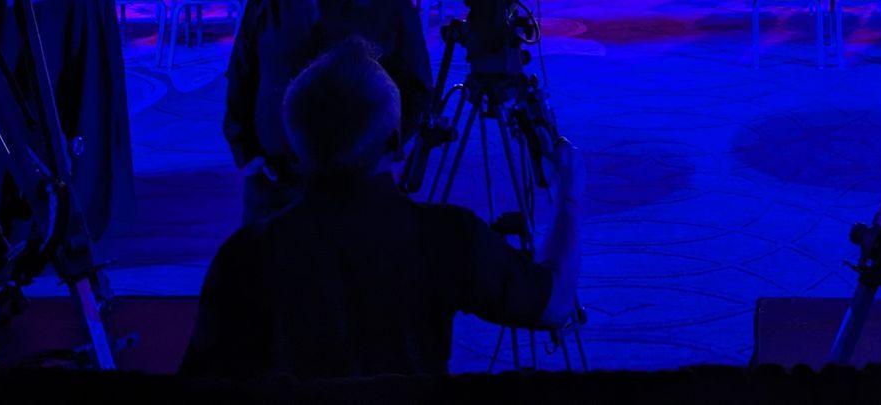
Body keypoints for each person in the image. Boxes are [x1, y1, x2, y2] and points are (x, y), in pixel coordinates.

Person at [182, 39, 583, 378]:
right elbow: (555, 302)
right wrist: (568, 194)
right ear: (395, 143)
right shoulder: (447, 237)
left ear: (295, 146)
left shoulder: (243, 257)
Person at [224, 0, 432, 223]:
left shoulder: (390, 9)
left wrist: (382, 155)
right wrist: (245, 151)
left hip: (355, 184)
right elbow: (241, 73)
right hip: (274, 178)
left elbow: (416, 90)